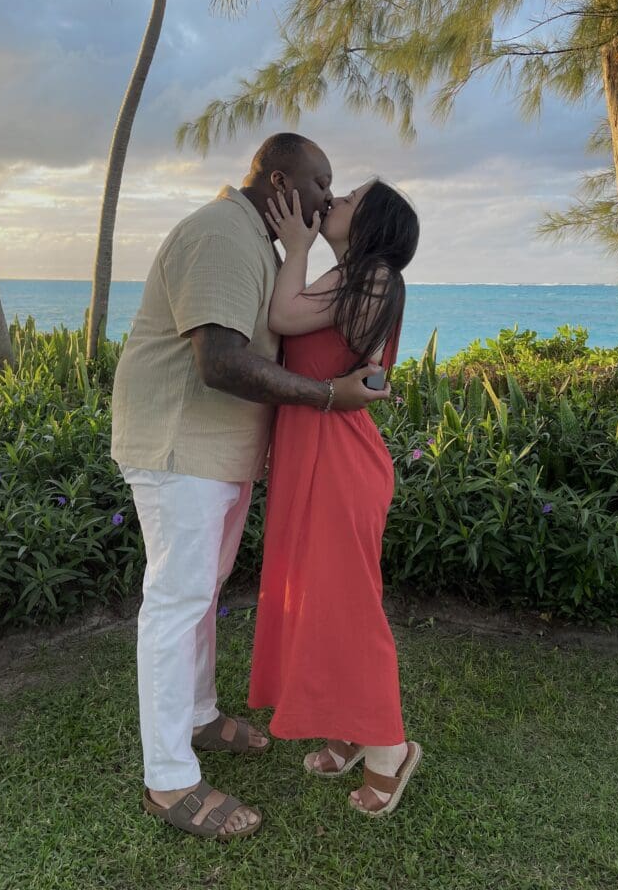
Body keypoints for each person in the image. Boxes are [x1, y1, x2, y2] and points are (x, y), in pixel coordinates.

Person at [110, 134, 390, 840]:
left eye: (334, 187)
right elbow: (221, 361)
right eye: (319, 182)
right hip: (182, 449)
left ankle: (199, 715)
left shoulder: (254, 242)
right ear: (275, 178)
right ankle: (169, 780)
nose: (328, 195)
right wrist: (329, 397)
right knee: (176, 604)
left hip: (215, 455)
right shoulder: (221, 234)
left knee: (200, 592)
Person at [248, 179, 421, 816]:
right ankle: (348, 731)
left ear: (371, 222)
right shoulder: (351, 274)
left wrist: (294, 243)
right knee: (318, 599)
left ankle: (389, 750)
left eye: (349, 197)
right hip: (312, 452)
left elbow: (283, 315)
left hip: (340, 457)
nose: (335, 200)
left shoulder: (372, 275)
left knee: (348, 606)